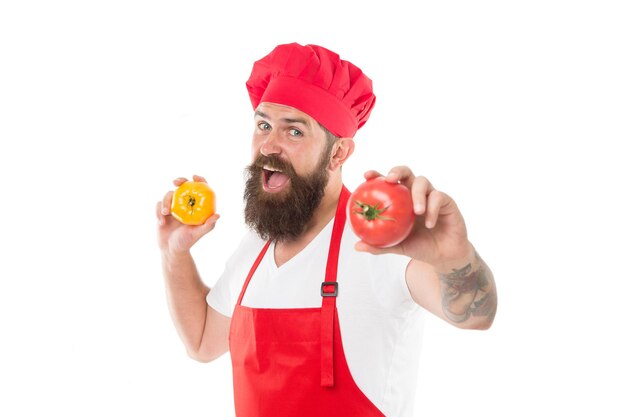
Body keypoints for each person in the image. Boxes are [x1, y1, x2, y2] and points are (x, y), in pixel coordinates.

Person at [156, 42, 497, 417]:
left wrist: (453, 256)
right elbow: (203, 341)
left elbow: (477, 315)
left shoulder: (381, 242)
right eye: (264, 125)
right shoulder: (255, 246)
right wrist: (175, 254)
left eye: (295, 132)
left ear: (338, 154)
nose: (269, 145)